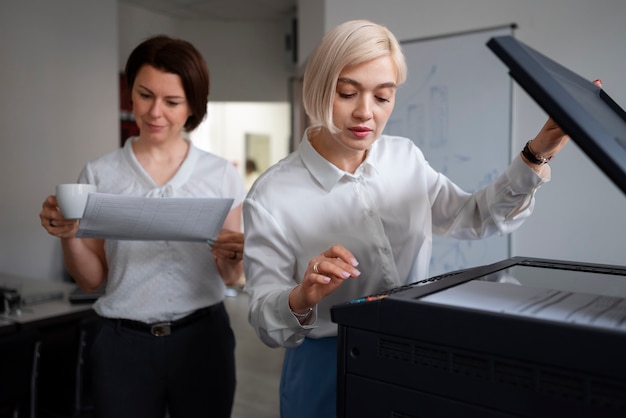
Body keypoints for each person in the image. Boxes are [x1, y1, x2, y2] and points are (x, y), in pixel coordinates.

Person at [242, 20, 594, 418]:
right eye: (347, 93)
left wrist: (536, 153)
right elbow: (262, 315)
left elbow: (473, 216)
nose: (365, 113)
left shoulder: (404, 156)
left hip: (411, 350)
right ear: (319, 88)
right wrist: (302, 297)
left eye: (383, 97)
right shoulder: (272, 194)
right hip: (326, 362)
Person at [39, 35, 245, 418]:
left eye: (172, 102)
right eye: (145, 95)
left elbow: (232, 278)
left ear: (193, 107)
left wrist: (235, 257)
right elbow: (91, 280)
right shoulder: (100, 173)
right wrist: (70, 237)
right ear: (130, 93)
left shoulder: (220, 174)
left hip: (203, 339)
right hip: (121, 345)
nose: (155, 112)